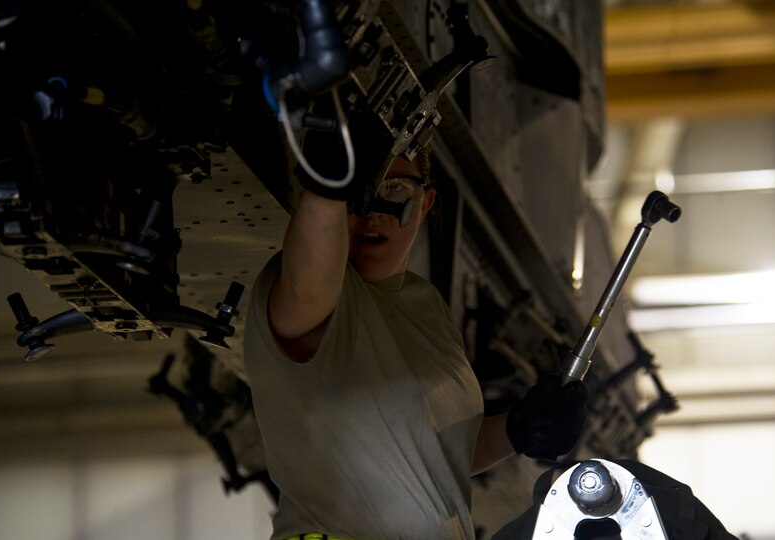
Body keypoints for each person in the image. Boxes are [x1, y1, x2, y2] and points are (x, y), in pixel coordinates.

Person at [244, 142, 588, 540]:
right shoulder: (315, 294)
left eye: (396, 189)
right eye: (360, 191)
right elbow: (308, 289)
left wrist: (517, 430)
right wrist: (325, 189)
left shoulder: (426, 306)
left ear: (425, 204)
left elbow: (438, 452)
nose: (374, 212)